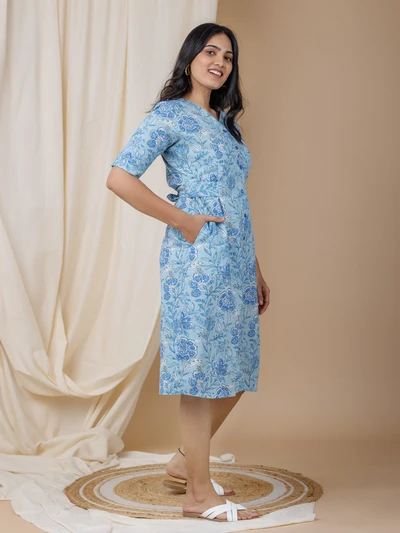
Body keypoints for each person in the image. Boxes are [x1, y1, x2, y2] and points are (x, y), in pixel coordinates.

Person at [107, 22, 270, 522]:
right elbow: (119, 177)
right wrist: (183, 221)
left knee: (236, 367)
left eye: (228, 56)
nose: (220, 62)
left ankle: (184, 462)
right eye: (211, 52)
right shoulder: (170, 114)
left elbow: (236, 200)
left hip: (236, 260)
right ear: (191, 57)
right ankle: (199, 494)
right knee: (200, 373)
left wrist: (255, 267)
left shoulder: (226, 123)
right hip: (197, 259)